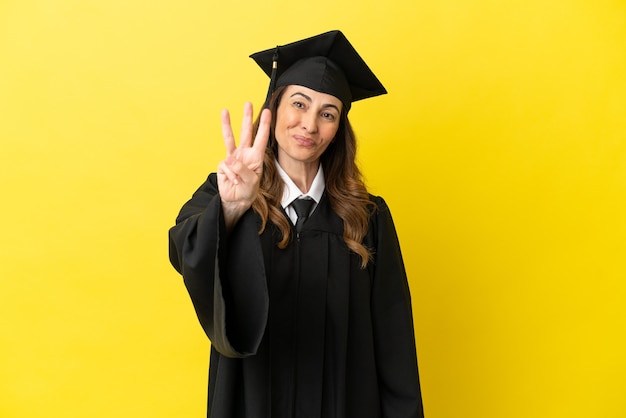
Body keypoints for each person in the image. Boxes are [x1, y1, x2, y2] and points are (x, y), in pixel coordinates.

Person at [168, 30, 424, 418]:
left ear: (339, 129)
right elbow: (183, 250)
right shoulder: (229, 191)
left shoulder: (367, 216)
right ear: (275, 109)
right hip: (253, 403)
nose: (309, 125)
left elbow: (393, 339)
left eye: (327, 113)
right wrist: (233, 209)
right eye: (299, 104)